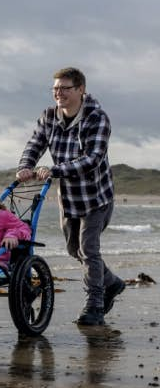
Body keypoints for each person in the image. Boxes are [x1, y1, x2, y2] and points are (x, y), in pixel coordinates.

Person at [16, 67, 125, 326]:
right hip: (69, 198)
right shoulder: (48, 117)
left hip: (96, 197)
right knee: (73, 249)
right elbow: (35, 144)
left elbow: (92, 158)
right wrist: (25, 166)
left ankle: (94, 305)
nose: (59, 93)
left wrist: (54, 170)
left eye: (65, 88)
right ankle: (112, 283)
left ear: (80, 90)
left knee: (88, 249)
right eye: (55, 88)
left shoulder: (97, 118)